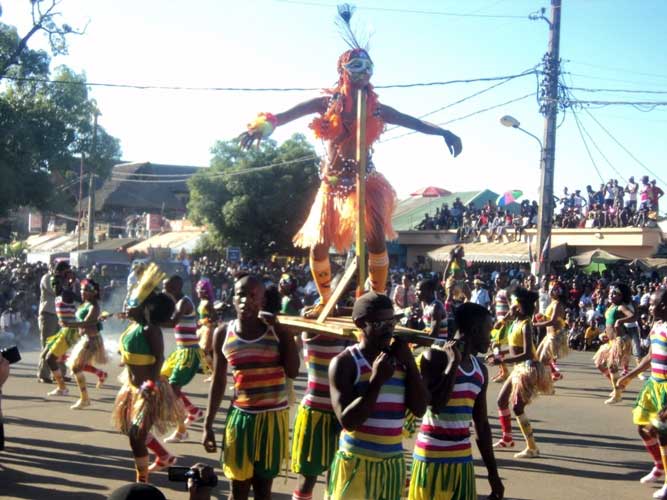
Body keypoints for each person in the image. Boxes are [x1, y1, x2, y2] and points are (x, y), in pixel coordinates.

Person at [238, 6, 461, 319]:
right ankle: (325, 300)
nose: (363, 71)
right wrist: (260, 127)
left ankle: (378, 299)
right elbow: (285, 116)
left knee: (374, 240)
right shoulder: (326, 103)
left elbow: (412, 121)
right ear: (343, 70)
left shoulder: (376, 108)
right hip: (331, 184)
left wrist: (443, 132)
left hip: (365, 182)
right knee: (317, 245)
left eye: (368, 66)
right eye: (356, 65)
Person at [202, 273, 299, 500]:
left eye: (254, 295)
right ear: (233, 299)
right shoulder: (223, 333)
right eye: (241, 294)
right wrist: (208, 425)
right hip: (241, 418)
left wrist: (284, 331)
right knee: (238, 489)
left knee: (264, 489)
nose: (247, 300)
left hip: (272, 419)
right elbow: (218, 380)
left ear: (263, 301)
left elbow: (293, 371)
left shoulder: (275, 330)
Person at [326, 291, 427, 500]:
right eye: (380, 324)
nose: (388, 330)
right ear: (360, 323)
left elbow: (419, 409)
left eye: (391, 322)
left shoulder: (400, 361)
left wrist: (409, 363)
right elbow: (348, 421)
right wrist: (376, 381)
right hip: (356, 464)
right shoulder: (345, 362)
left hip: (391, 465)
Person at [409, 303, 503, 500]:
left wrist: (493, 474)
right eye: (489, 330)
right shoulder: (435, 357)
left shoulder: (480, 370)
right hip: (431, 459)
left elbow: (482, 425)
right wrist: (452, 364)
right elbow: (437, 406)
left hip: (462, 460)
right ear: (476, 331)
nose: (491, 337)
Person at [111, 263, 184, 482]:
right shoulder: (133, 327)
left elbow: (159, 358)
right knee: (131, 431)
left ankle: (141, 482)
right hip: (132, 389)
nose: (129, 306)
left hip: (149, 391)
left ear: (144, 308)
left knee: (136, 435)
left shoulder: (149, 329)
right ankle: (163, 456)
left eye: (134, 304)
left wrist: (150, 386)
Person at [290, 329, 353, 500]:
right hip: (315, 413)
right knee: (307, 478)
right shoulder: (312, 330)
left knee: (335, 479)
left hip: (344, 414)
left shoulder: (350, 333)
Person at [491, 287, 553, 458]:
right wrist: (500, 354)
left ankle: (532, 447)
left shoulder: (526, 325)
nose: (509, 306)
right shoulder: (515, 323)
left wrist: (502, 361)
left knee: (518, 408)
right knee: (502, 401)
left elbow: (526, 353)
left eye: (512, 303)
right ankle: (507, 438)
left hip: (529, 368)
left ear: (518, 307)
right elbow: (513, 349)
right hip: (519, 368)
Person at [617, 288, 667, 499]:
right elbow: (649, 356)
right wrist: (630, 375)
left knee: (661, 430)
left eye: (653, 304)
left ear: (664, 307)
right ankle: (659, 465)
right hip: (653, 385)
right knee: (643, 427)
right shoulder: (656, 326)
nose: (649, 307)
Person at [162, 275, 210, 443]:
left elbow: (171, 322)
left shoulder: (183, 302)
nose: (163, 290)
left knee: (173, 389)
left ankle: (181, 431)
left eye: (166, 287)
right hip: (181, 351)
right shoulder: (177, 302)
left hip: (189, 353)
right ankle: (193, 411)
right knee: (164, 380)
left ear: (176, 287)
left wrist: (147, 319)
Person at [65, 278, 108, 410]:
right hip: (86, 339)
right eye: (82, 290)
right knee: (77, 366)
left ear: (93, 293)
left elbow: (87, 323)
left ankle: (85, 399)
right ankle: (87, 394)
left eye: (86, 291)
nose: (83, 293)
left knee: (76, 367)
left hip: (92, 340)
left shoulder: (94, 306)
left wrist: (69, 324)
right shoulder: (85, 304)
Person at [593, 282, 636, 405]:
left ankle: (617, 394)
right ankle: (618, 386)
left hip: (619, 340)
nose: (611, 295)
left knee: (612, 367)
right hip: (611, 340)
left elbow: (633, 316)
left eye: (615, 293)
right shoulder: (611, 306)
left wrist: (620, 321)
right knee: (599, 364)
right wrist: (604, 334)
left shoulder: (621, 307)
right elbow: (609, 324)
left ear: (622, 296)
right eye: (611, 292)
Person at [43, 270, 80, 396]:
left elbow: (84, 301)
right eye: (53, 283)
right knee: (49, 357)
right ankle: (62, 387)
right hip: (64, 330)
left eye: (57, 283)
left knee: (50, 358)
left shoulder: (66, 293)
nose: (55, 286)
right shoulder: (59, 294)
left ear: (62, 282)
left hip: (70, 331)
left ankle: (62, 388)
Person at [37, 260, 70, 383]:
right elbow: (56, 292)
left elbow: (69, 293)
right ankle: (43, 374)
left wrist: (67, 280)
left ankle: (60, 372)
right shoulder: (47, 278)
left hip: (61, 315)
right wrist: (61, 280)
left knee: (61, 345)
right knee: (48, 345)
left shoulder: (64, 280)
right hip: (48, 314)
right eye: (63, 271)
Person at [534, 281, 568, 381]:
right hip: (548, 336)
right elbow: (549, 319)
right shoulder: (552, 303)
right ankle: (554, 373)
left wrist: (537, 324)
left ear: (559, 292)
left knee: (544, 359)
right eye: (550, 289)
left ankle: (549, 379)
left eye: (554, 290)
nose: (551, 292)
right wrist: (542, 317)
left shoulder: (557, 304)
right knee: (539, 357)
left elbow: (553, 321)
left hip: (554, 336)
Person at [195, 278, 217, 382]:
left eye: (199, 290)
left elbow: (215, 318)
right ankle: (213, 373)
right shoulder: (202, 301)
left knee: (204, 350)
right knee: (207, 351)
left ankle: (213, 372)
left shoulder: (208, 303)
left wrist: (204, 321)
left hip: (208, 329)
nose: (197, 292)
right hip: (203, 328)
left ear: (204, 292)